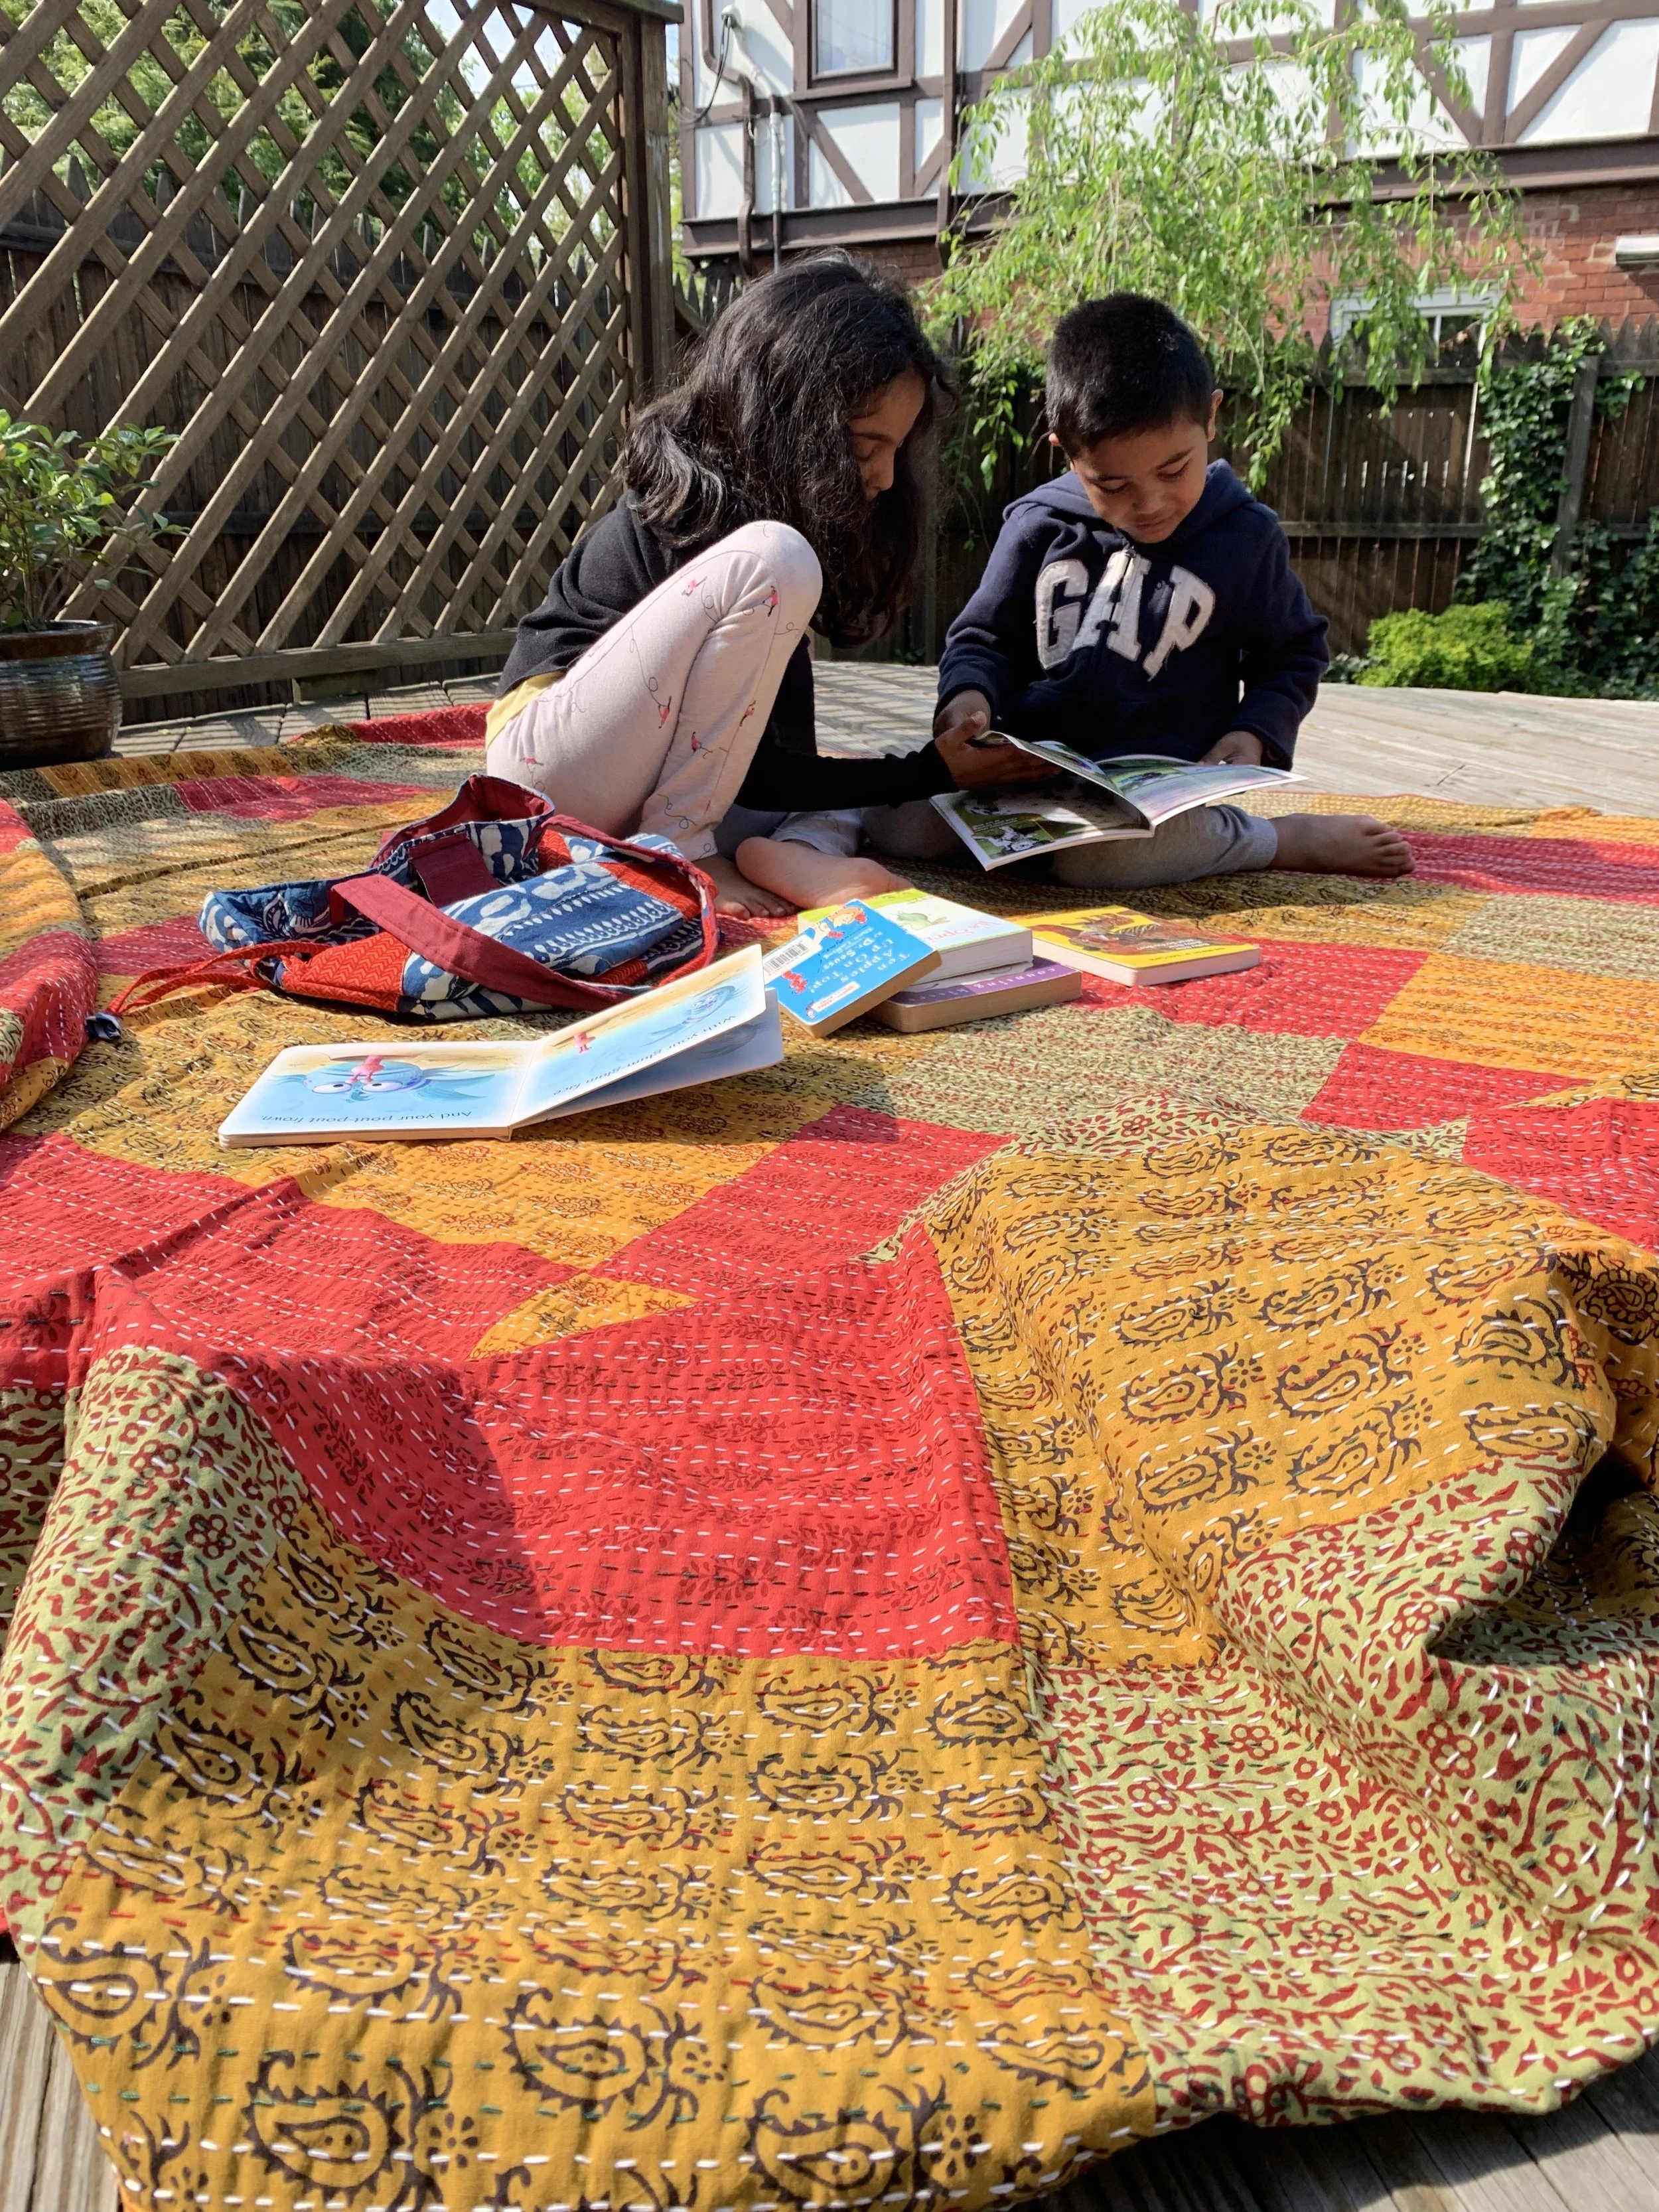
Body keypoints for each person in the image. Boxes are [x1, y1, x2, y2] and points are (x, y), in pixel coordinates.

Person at [484, 254, 1050, 916]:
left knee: (852, 789)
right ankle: (684, 851)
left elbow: (773, 768)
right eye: (867, 447)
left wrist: (929, 771)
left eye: (896, 449)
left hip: (647, 795)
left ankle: (792, 853)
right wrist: (929, 771)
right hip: (546, 776)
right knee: (779, 560)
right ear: (793, 418)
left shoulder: (771, 551)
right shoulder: (722, 532)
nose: (887, 478)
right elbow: (753, 772)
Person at [871, 293, 1413, 886]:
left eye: (1174, 469)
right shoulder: (1037, 525)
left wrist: (1254, 732)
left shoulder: (1244, 537)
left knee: (1104, 859)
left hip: (1149, 804)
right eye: (1113, 483)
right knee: (900, 823)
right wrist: (967, 700)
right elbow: (983, 638)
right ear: (1066, 452)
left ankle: (1274, 838)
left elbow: (1292, 655)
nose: (1149, 502)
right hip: (1023, 779)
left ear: (1211, 417)